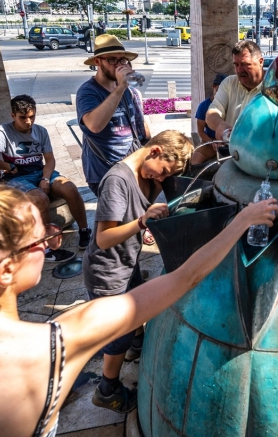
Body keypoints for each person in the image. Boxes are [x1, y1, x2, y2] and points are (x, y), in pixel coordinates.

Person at [0, 158, 278, 437]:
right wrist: (243, 221)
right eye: (40, 239)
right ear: (5, 270)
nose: (51, 240)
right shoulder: (63, 344)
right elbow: (185, 278)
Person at [83, 130, 194, 413]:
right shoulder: (117, 182)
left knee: (134, 307)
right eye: (163, 172)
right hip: (106, 270)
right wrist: (141, 223)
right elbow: (103, 238)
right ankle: (107, 389)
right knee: (117, 330)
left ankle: (135, 347)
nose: (161, 179)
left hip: (126, 261)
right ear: (154, 151)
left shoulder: (146, 172)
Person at [0, 94, 90, 262]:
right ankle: (45, 249)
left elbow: (50, 159)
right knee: (40, 199)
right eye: (23, 118)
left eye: (31, 117)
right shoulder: (2, 133)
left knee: (70, 188)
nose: (28, 122)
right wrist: (8, 167)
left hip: (39, 172)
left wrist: (45, 179)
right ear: (13, 116)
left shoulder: (40, 131)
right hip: (15, 178)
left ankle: (84, 231)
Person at [76, 34, 151, 198]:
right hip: (105, 171)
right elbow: (94, 125)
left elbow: (139, 125)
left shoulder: (129, 91)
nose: (119, 66)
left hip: (131, 165)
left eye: (122, 60)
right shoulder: (88, 91)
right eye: (112, 60)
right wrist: (120, 87)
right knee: (119, 220)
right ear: (98, 62)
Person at [204, 40, 265, 144]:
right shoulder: (229, 83)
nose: (240, 70)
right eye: (236, 65)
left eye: (245, 64)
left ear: (260, 62)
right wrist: (220, 125)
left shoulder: (275, 88)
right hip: (231, 153)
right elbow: (212, 113)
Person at [191, 73, 227, 165]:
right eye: (219, 90)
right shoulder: (203, 106)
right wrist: (212, 142)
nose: (221, 94)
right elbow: (201, 131)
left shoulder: (232, 104)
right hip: (210, 140)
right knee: (194, 162)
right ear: (213, 87)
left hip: (228, 141)